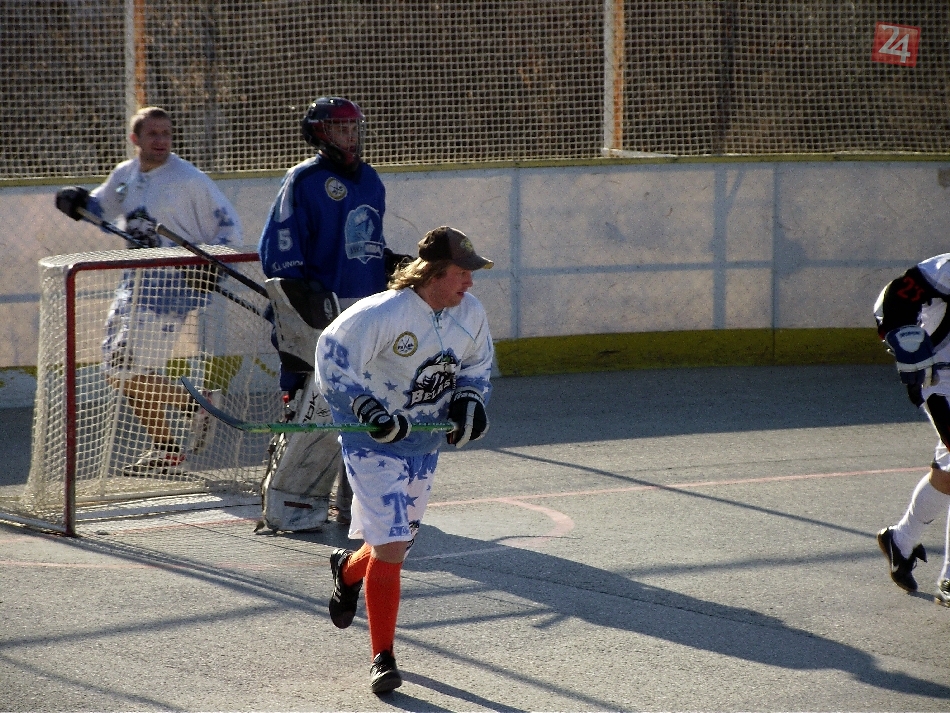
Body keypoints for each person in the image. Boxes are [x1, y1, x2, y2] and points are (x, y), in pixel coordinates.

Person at [316, 226, 494, 693]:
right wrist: (367, 409)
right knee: (392, 546)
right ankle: (383, 656)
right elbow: (331, 357)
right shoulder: (382, 313)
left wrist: (469, 401)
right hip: (372, 446)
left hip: (423, 445)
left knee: (393, 543)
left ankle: (347, 570)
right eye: (462, 273)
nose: (470, 282)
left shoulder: (470, 313)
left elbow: (476, 365)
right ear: (433, 273)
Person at [54, 106, 243, 477]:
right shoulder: (125, 174)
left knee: (126, 370)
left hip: (173, 287)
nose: (161, 140)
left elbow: (230, 229)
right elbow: (102, 207)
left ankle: (197, 405)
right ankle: (168, 448)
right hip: (134, 283)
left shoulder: (190, 179)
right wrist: (78, 202)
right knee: (118, 370)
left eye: (166, 133)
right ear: (135, 139)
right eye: (153, 133)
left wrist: (213, 267)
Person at [257, 96, 408, 528]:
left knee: (367, 403)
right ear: (320, 133)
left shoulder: (371, 180)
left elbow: (366, 242)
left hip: (366, 314)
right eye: (341, 128)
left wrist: (389, 264)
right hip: (319, 317)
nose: (351, 135)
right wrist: (299, 295)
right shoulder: (304, 179)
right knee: (312, 407)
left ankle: (356, 500)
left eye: (354, 127)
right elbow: (279, 248)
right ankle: (291, 501)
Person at [874, 253, 950, 606]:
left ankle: (900, 540)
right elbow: (893, 299)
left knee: (947, 474)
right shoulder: (945, 269)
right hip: (944, 382)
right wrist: (906, 344)